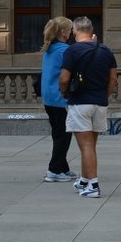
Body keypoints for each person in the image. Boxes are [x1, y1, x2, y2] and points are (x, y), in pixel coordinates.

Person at [59, 16, 117, 199]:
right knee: (90, 145)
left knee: (85, 145)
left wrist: (64, 93)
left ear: (75, 32)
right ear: (91, 31)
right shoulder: (106, 50)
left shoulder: (72, 51)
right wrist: (104, 95)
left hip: (80, 102)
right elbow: (114, 79)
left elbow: (64, 78)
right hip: (100, 102)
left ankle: (93, 185)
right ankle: (84, 180)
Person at [40, 16, 78, 183]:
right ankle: (54, 169)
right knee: (63, 135)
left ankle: (63, 167)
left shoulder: (50, 48)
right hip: (59, 98)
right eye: (70, 30)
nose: (71, 33)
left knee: (58, 133)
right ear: (63, 32)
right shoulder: (65, 50)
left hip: (49, 97)